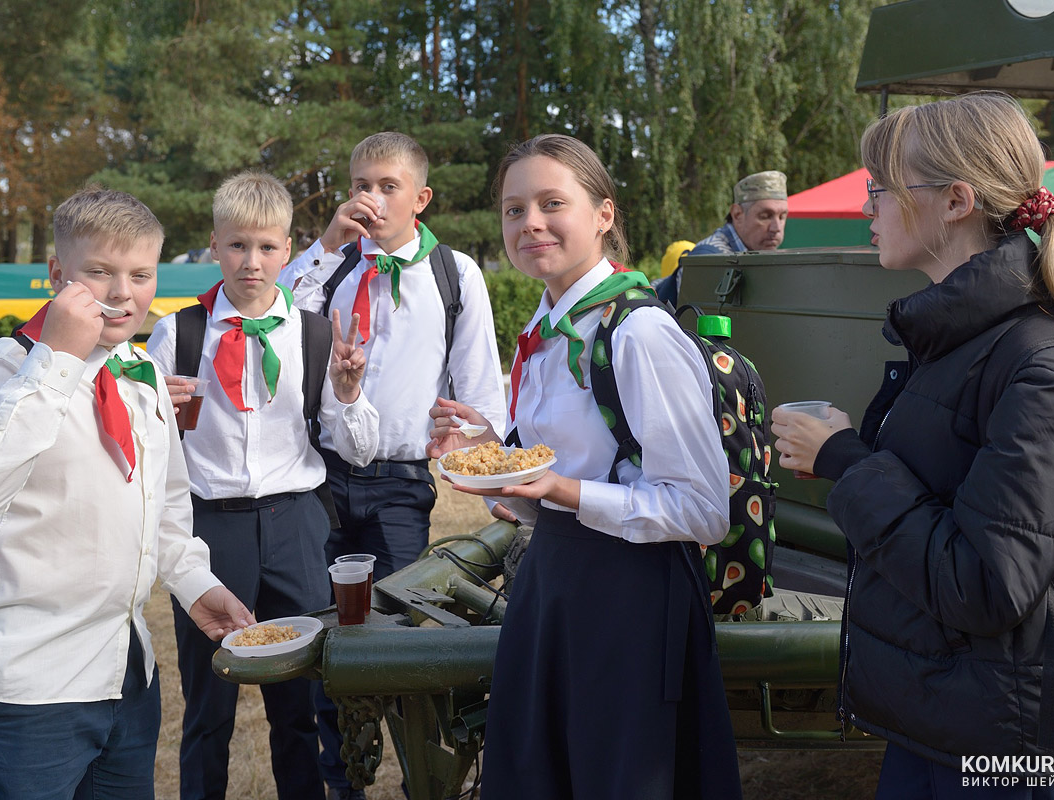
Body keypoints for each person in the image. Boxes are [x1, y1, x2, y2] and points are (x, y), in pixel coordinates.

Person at [771, 92, 1054, 798]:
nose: (870, 207)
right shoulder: (959, 345)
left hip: (1014, 755)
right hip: (945, 724)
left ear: (956, 201)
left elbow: (985, 583)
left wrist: (844, 460)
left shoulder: (1048, 369)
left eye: (882, 189)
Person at [427, 134, 742, 799]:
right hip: (556, 581)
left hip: (633, 596)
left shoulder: (639, 334)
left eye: (551, 203)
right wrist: (494, 454)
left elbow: (705, 509)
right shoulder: (546, 330)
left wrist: (567, 491)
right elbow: (552, 480)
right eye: (514, 210)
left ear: (603, 214)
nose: (530, 223)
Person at [0, 186, 255, 799]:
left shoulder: (142, 374)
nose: (121, 293)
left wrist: (195, 584)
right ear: (58, 274)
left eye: (140, 274)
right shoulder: (6, 369)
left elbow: (165, 506)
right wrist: (54, 362)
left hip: (124, 673)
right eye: (99, 272)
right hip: (24, 684)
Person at [147, 172, 380, 800]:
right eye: (237, 246)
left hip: (296, 524)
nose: (252, 263)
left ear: (289, 247)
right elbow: (155, 447)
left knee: (298, 704)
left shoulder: (313, 334)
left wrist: (351, 394)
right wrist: (155, 412)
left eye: (268, 247)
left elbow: (358, 448)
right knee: (208, 705)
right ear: (216, 245)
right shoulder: (178, 334)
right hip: (211, 528)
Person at [290, 132, 506, 800]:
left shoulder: (455, 274)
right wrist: (327, 245)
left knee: (402, 645)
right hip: (321, 477)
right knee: (327, 638)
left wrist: (472, 445)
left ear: (421, 198)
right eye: (360, 184)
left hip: (400, 487)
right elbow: (274, 319)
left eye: (387, 186)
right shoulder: (331, 268)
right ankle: (343, 782)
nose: (370, 198)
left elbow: (477, 395)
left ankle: (421, 779)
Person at [659, 170, 789, 306]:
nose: (776, 228)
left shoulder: (755, 255)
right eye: (765, 216)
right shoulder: (709, 260)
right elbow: (697, 323)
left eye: (782, 217)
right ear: (737, 214)